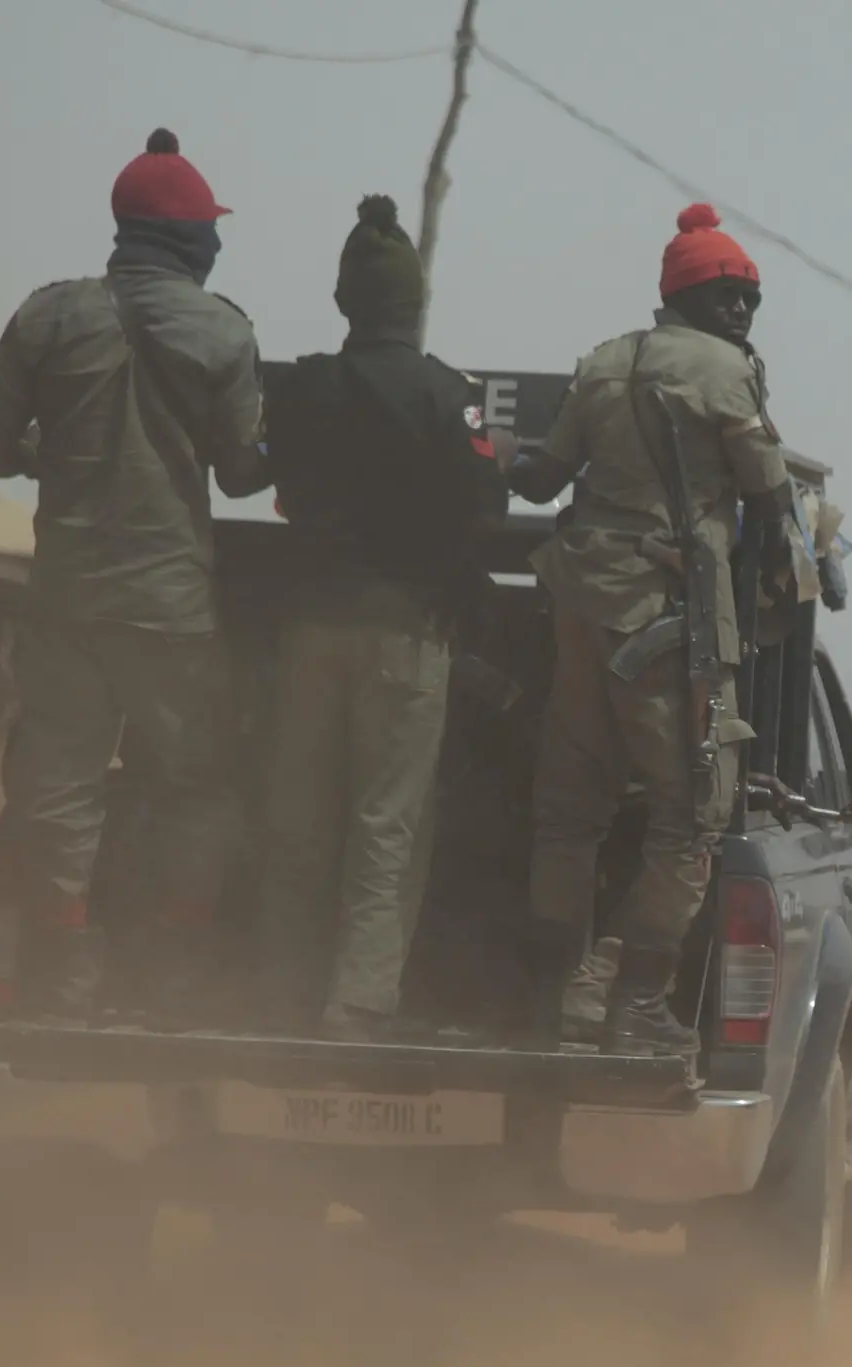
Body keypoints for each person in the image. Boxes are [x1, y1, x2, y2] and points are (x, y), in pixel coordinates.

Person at [0, 129, 267, 1023]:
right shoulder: (223, 331)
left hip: (67, 601)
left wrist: (52, 455)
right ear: (191, 240)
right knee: (196, 786)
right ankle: (176, 970)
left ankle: (67, 968)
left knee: (58, 785)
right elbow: (244, 473)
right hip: (171, 609)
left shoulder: (48, 314)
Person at [507, 205, 793, 1056]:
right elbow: (772, 501)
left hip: (581, 612)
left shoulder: (602, 362)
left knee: (568, 812)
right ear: (686, 295)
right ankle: (630, 1001)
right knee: (691, 818)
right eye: (726, 292)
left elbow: (542, 473)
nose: (740, 310)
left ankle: (553, 996)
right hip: (670, 626)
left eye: (749, 296)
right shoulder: (725, 373)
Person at [254, 195, 508, 1041]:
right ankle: (357, 1002)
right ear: (416, 306)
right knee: (386, 821)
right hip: (404, 635)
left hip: (308, 632)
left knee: (297, 813)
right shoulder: (447, 396)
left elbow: (265, 471)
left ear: (342, 302)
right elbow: (489, 500)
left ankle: (278, 988)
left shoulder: (304, 386)